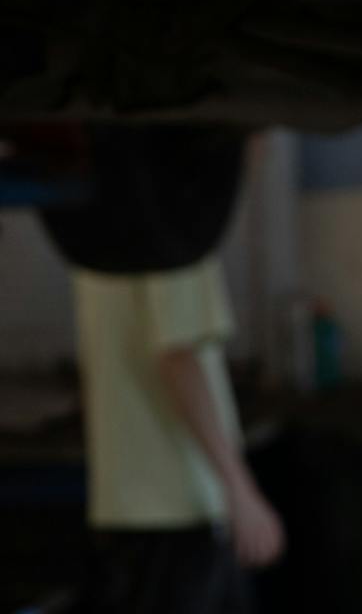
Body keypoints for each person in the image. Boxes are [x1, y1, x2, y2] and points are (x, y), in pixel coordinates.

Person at [36, 127, 286, 614]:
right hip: (178, 504)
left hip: (126, 504)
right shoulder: (178, 236)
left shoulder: (102, 230)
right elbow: (176, 359)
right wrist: (240, 487)